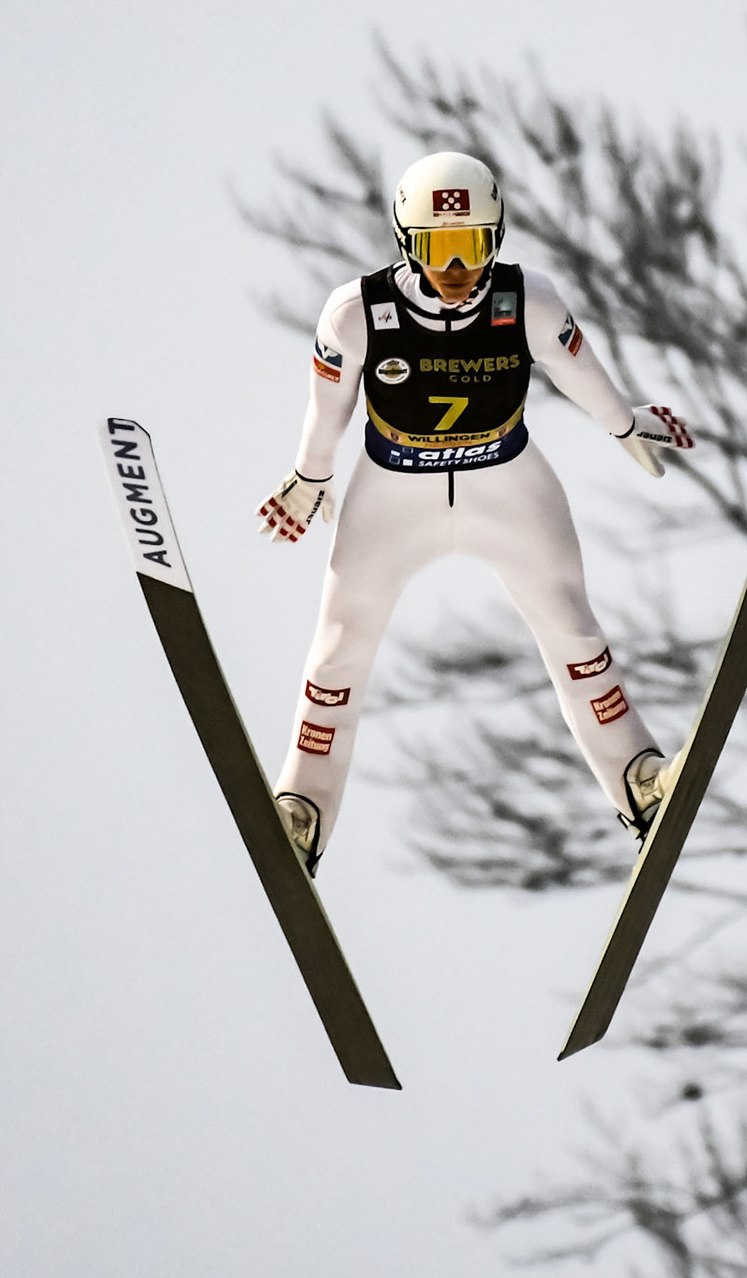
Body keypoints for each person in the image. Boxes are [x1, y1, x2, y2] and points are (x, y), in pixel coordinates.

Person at [258, 151, 692, 874]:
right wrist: (310, 477)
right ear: (407, 242)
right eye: (436, 248)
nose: (456, 267)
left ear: (495, 237)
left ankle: (639, 782)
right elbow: (326, 407)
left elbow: (580, 372)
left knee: (574, 631)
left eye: (471, 245)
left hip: (508, 484)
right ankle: (302, 809)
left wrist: (624, 424)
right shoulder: (358, 311)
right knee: (339, 646)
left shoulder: (530, 298)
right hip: (394, 490)